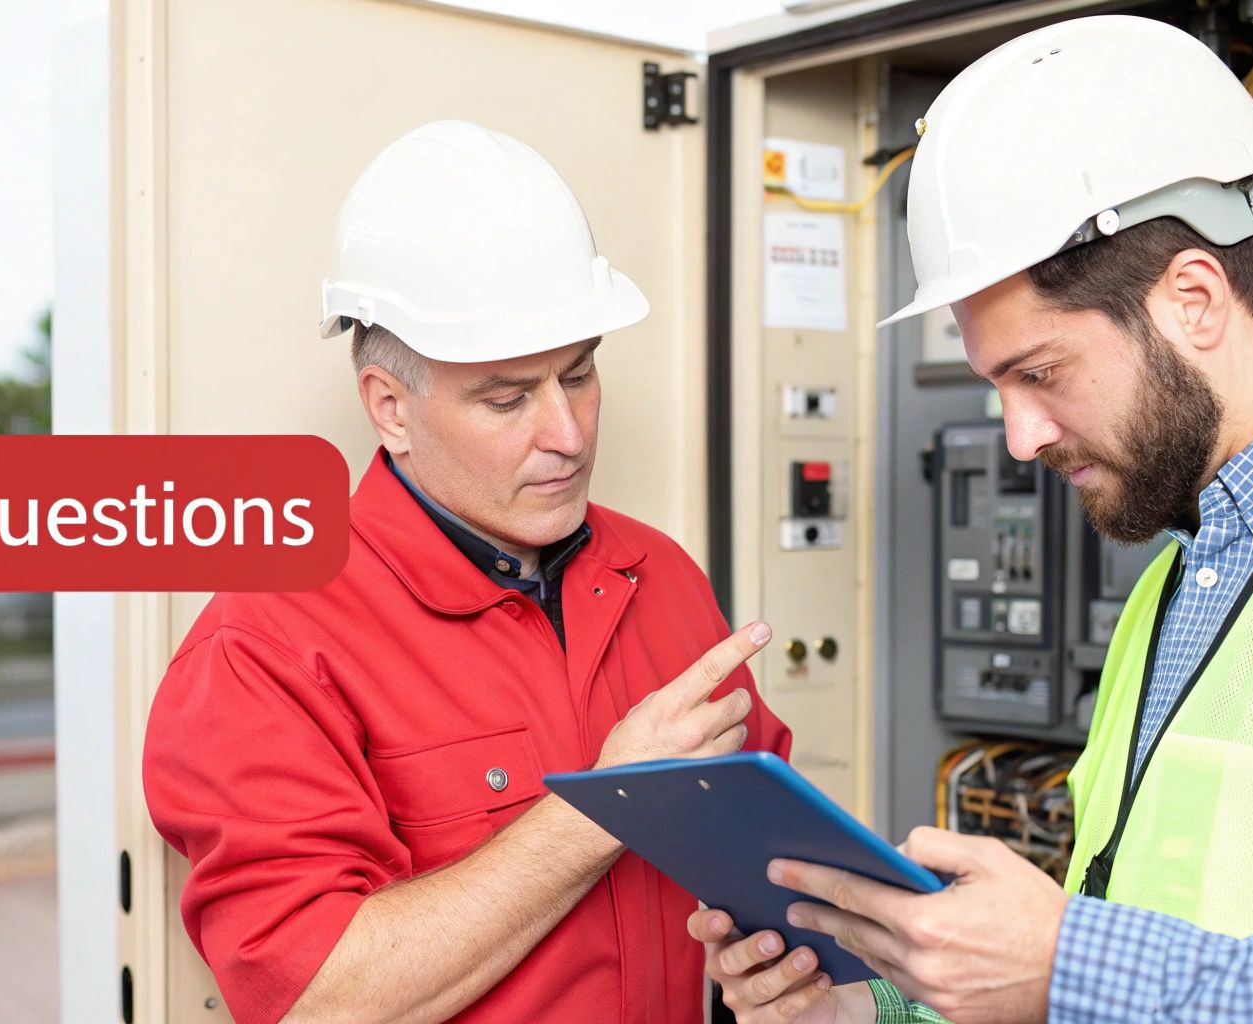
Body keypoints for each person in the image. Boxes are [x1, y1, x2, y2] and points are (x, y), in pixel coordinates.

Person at [694, 15, 1253, 1023]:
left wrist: (1073, 968)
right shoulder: (1179, 583)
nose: (1017, 437)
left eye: (1037, 373)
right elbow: (1109, 967)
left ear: (1193, 299)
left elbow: (1094, 976)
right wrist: (865, 1012)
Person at [143, 120, 792, 1024]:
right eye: (507, 397)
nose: (568, 433)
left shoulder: (663, 574)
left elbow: (771, 852)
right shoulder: (264, 644)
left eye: (579, 374)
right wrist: (608, 807)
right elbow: (315, 1000)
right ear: (390, 409)